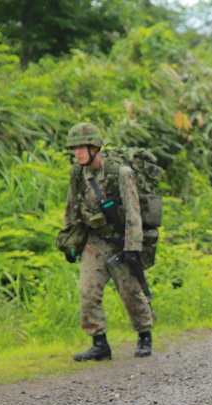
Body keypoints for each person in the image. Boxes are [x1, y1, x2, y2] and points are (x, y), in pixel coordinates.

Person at [61, 123, 154, 361]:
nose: (77, 152)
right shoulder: (78, 174)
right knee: (87, 292)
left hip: (121, 240)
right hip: (95, 240)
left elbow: (133, 212)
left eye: (81, 147)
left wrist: (132, 247)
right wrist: (67, 241)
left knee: (131, 292)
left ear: (94, 147)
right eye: (74, 148)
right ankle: (99, 344)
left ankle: (144, 335)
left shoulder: (120, 173)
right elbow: (71, 209)